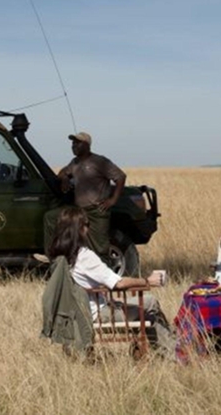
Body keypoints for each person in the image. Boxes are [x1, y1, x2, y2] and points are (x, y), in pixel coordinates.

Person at [47, 206, 175, 352]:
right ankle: (177, 353)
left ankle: (167, 340)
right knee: (148, 318)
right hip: (98, 313)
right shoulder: (84, 256)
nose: (88, 229)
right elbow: (118, 283)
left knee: (151, 301)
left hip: (75, 312)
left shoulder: (59, 258)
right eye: (86, 225)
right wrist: (147, 281)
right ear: (79, 229)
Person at [41, 131, 126, 262]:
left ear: (86, 145)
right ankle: (52, 256)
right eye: (73, 143)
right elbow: (62, 173)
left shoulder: (99, 161)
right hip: (80, 211)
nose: (73, 146)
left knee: (99, 248)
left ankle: (107, 276)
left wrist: (112, 200)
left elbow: (120, 176)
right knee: (51, 217)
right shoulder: (74, 162)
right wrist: (64, 178)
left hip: (97, 210)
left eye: (77, 143)